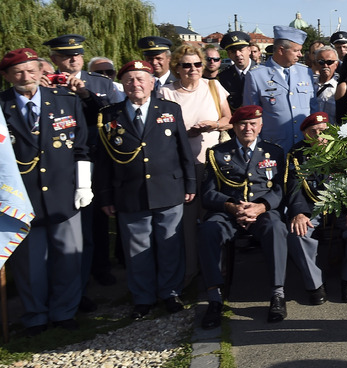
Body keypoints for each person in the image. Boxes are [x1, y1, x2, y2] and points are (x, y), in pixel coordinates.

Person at [95, 60, 196, 319]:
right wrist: (105, 194)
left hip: (168, 188)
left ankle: (171, 293)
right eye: (129, 80)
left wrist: (190, 183)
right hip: (130, 193)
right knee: (137, 249)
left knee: (169, 245)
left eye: (141, 79)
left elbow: (183, 149)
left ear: (152, 83)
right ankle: (143, 297)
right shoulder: (109, 116)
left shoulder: (170, 109)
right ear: (122, 85)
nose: (135, 84)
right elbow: (105, 160)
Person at [1, 48, 90, 335]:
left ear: (41, 71)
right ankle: (36, 315)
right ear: (6, 76)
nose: (26, 77)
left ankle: (65, 311)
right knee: (30, 264)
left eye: (31, 70)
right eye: (18, 72)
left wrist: (84, 184)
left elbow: (81, 147)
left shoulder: (65, 101)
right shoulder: (2, 107)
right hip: (22, 199)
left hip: (64, 194)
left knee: (68, 257)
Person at [45, 34, 125, 300]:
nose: (73, 59)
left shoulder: (99, 82)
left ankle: (100, 268)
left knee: (98, 221)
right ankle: (72, 284)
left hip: (93, 159)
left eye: (77, 54)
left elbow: (111, 115)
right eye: (66, 56)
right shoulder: (45, 84)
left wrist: (85, 94)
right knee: (70, 223)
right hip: (57, 163)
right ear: (55, 59)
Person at [196, 105, 291, 328]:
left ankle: (278, 294)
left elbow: (280, 189)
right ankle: (214, 298)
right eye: (242, 124)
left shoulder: (274, 152)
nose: (247, 128)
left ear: (260, 126)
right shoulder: (217, 153)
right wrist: (231, 207)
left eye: (252, 124)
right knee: (208, 230)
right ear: (234, 127)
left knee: (277, 229)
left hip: (262, 212)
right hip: (229, 213)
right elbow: (208, 193)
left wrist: (261, 207)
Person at [159, 45, 232, 287]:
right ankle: (190, 272)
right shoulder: (166, 93)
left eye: (197, 64)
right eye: (187, 65)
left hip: (211, 165)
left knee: (213, 219)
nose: (193, 69)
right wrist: (184, 133)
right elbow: (159, 132)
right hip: (180, 167)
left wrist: (215, 125)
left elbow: (229, 120)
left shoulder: (213, 86)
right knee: (187, 223)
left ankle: (217, 273)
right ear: (177, 67)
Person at [282, 112, 329, 305]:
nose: (319, 136)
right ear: (304, 135)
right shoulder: (296, 154)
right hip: (311, 208)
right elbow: (292, 187)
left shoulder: (343, 149)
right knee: (297, 233)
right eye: (313, 132)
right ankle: (315, 285)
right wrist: (299, 212)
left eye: (322, 131)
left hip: (341, 208)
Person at [243, 26, 315, 152]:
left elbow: (314, 109)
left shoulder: (306, 72)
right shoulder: (256, 75)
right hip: (273, 148)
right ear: (281, 50)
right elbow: (251, 116)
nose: (300, 54)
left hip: (305, 147)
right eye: (296, 50)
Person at [218, 31, 253, 112]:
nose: (237, 54)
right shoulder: (224, 78)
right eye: (233, 51)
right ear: (229, 55)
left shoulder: (264, 73)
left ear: (249, 50)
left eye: (241, 50)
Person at [311, 45, 341, 122]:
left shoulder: (340, 86)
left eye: (329, 62)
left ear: (336, 64)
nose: (325, 65)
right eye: (321, 62)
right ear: (316, 64)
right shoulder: (308, 84)